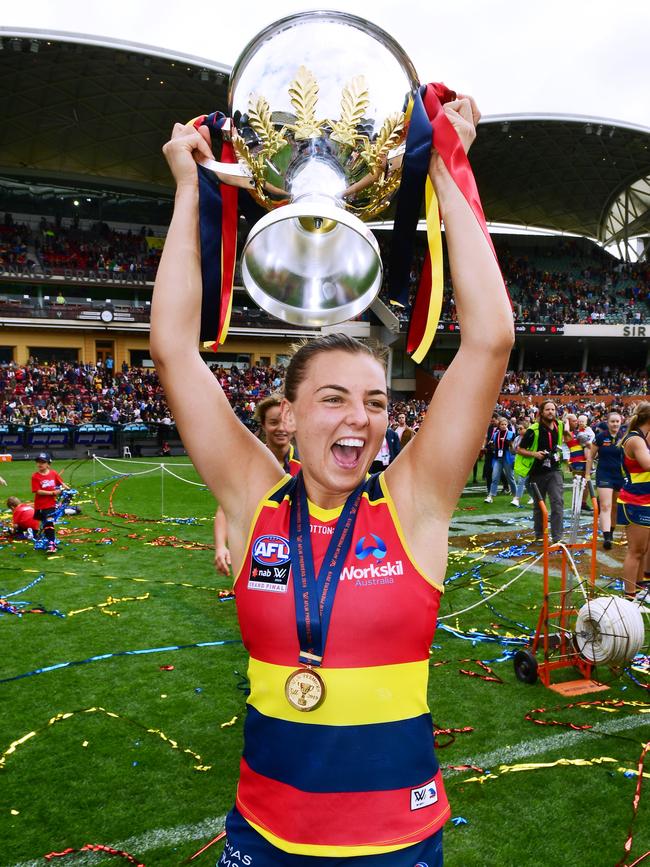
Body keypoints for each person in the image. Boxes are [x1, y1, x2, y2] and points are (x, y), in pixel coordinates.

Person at [151, 95, 513, 865]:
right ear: (288, 413)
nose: (361, 419)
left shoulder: (412, 502)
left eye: (377, 401)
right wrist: (189, 187)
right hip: (264, 838)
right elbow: (175, 350)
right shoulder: (256, 500)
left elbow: (490, 339)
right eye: (335, 398)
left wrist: (446, 166)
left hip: (399, 843)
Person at [214, 394, 299, 576]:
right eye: (274, 422)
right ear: (263, 425)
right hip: (259, 550)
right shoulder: (248, 465)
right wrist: (221, 546)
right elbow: (224, 510)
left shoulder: (309, 465)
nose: (281, 428)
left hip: (300, 551)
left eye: (286, 421)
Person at [515, 401, 565, 544]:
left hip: (554, 470)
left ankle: (557, 537)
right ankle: (539, 535)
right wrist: (535, 454)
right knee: (539, 505)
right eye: (547, 409)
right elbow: (519, 449)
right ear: (541, 412)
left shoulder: (559, 425)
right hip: (537, 472)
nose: (550, 412)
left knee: (557, 502)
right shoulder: (533, 430)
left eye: (553, 409)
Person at [617, 402, 650, 599]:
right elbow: (647, 465)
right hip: (635, 501)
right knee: (635, 551)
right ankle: (629, 596)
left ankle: (639, 587)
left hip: (643, 499)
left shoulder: (642, 438)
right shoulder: (636, 440)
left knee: (643, 549)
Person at [585, 410, 624, 549]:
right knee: (605, 506)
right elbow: (590, 456)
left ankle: (611, 532)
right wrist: (587, 474)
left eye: (617, 421)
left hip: (620, 476)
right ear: (607, 423)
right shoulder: (601, 437)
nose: (614, 424)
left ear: (621, 422)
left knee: (615, 506)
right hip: (604, 474)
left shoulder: (625, 437)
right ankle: (607, 537)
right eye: (612, 421)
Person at [31, 452, 68, 554]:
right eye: (38, 462)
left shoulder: (54, 474)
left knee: (49, 523)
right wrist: (52, 492)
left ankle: (52, 544)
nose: (40, 464)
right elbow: (37, 491)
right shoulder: (35, 476)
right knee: (45, 523)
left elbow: (61, 483)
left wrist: (69, 490)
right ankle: (46, 539)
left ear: (48, 463)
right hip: (40, 505)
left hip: (50, 505)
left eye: (43, 462)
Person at [484, 416, 517, 504]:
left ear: (507, 425)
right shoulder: (495, 434)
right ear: (499, 425)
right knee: (494, 477)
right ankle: (490, 496)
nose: (503, 426)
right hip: (497, 458)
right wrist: (491, 445)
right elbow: (494, 446)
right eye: (502, 424)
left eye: (505, 424)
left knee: (510, 478)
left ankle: (515, 497)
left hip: (507, 458)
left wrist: (508, 442)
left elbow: (513, 448)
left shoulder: (511, 434)